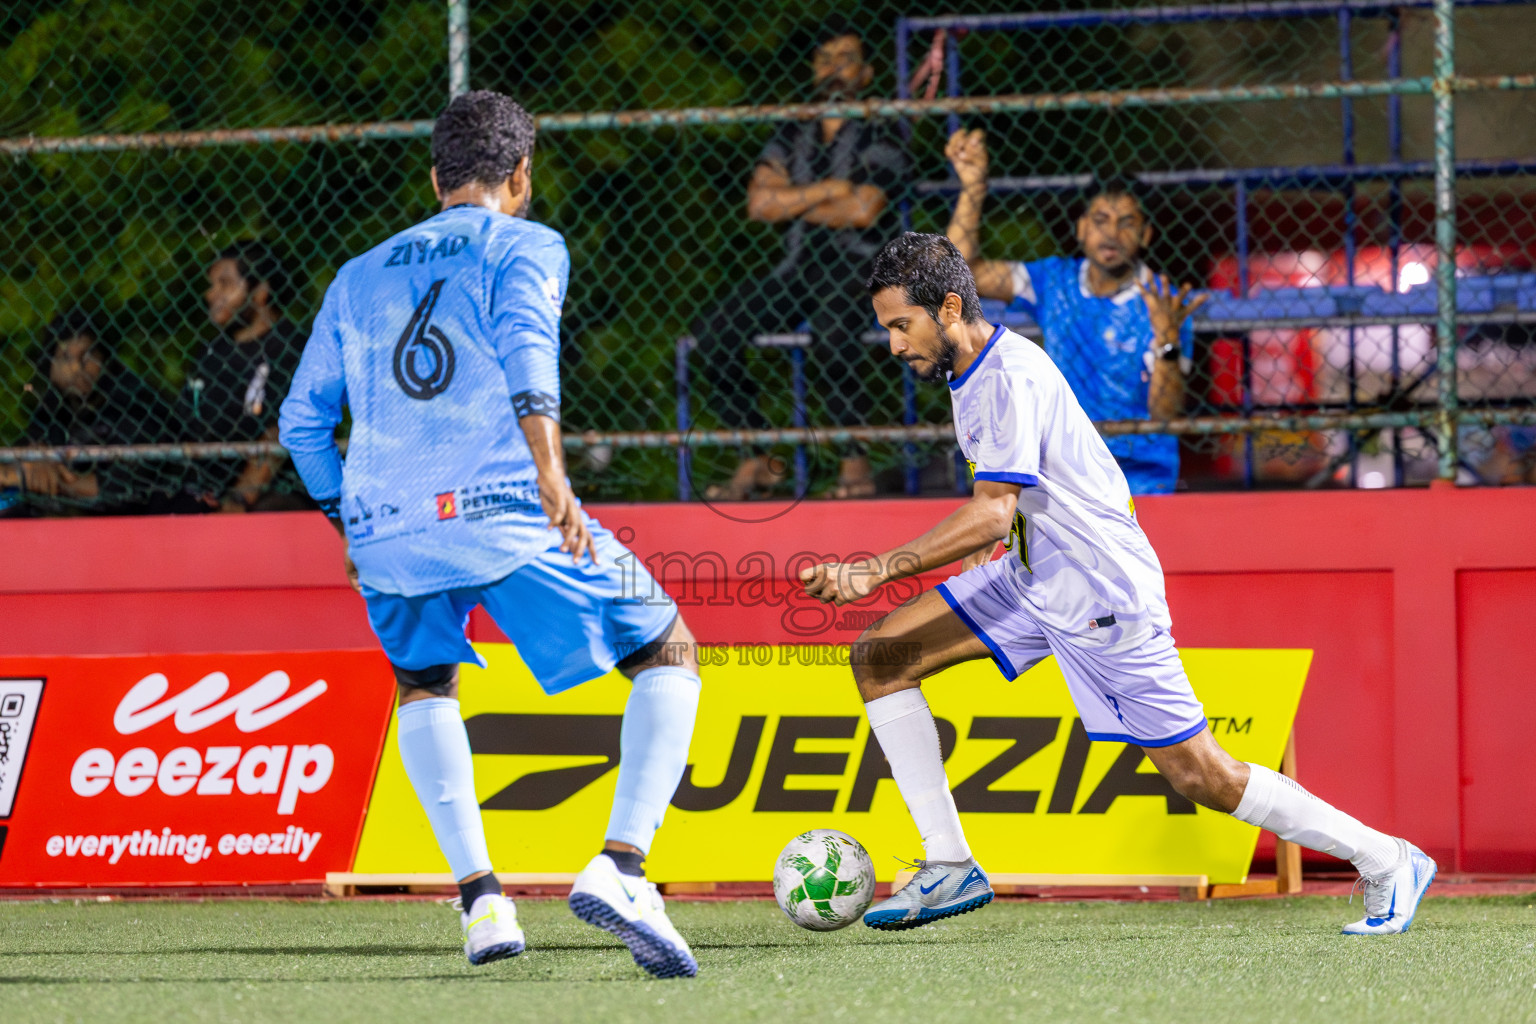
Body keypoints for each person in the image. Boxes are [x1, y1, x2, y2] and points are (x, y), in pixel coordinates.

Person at [800, 233, 1436, 935]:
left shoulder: (1008, 376)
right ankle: (950, 865)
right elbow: (1008, 503)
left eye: (902, 325)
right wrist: (993, 545)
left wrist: (874, 569)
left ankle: (1387, 858)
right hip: (1034, 575)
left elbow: (991, 510)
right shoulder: (970, 371)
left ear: (949, 308)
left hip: (1099, 592)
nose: (894, 345)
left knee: (1204, 776)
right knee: (881, 657)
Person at [279, 91, 703, 978]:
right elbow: (525, 348)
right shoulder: (525, 243)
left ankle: (482, 904)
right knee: (668, 648)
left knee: (423, 683)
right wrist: (552, 471)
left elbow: (301, 424)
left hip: (387, 532)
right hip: (503, 510)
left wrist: (346, 519)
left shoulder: (356, 275)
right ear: (521, 174)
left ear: (435, 177)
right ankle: (623, 869)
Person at [692, 18, 909, 500]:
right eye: (824, 60)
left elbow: (862, 210)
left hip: (861, 268)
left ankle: (854, 464)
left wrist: (792, 198)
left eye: (846, 60)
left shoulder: (885, 128)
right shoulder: (792, 131)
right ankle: (760, 454)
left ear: (866, 73)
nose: (834, 70)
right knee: (714, 333)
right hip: (795, 270)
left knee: (832, 334)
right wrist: (831, 189)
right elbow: (758, 204)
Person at [945, 129, 1204, 494]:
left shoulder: (1164, 303)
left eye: (1127, 223)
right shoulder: (1053, 281)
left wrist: (1167, 341)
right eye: (1100, 220)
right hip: (1063, 470)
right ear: (1081, 228)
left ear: (1146, 234)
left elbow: (1165, 413)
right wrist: (973, 187)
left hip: (1140, 477)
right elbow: (958, 271)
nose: (1112, 233)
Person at [179, 240, 308, 512]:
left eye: (225, 284)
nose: (211, 294)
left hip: (272, 491)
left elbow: (279, 432)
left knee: (273, 510)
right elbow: (186, 428)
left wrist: (239, 500)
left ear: (260, 291)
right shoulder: (211, 353)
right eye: (212, 285)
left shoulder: (292, 348)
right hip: (207, 487)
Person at [0, 308, 173, 509]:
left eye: (87, 355)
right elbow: (30, 452)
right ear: (51, 368)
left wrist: (47, 481)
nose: (77, 367)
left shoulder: (132, 403)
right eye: (65, 358)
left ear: (105, 360)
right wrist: (33, 463)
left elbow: (117, 487)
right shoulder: (55, 406)